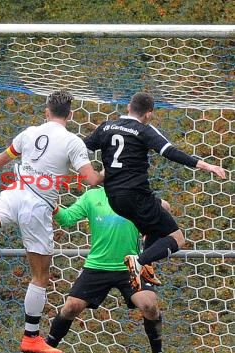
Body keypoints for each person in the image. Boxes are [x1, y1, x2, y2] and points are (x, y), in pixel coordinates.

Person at [0, 89, 104, 353]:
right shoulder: (72, 141)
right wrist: (113, 169)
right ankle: (31, 337)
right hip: (38, 205)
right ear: (71, 114)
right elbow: (90, 180)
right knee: (40, 276)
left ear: (46, 111)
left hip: (15, 192)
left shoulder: (29, 132)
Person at [84, 92, 226, 291]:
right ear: (149, 114)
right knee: (177, 238)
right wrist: (206, 166)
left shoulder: (106, 127)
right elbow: (170, 151)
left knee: (162, 209)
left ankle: (146, 268)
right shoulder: (144, 130)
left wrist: (92, 171)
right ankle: (139, 261)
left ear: (128, 107)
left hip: (114, 198)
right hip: (136, 197)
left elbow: (81, 147)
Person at [28, 187, 173, 353]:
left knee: (149, 305)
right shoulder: (91, 196)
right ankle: (46, 351)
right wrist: (53, 206)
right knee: (71, 307)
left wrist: (153, 228)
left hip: (131, 264)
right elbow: (67, 219)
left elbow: (165, 206)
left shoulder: (133, 193)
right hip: (97, 266)